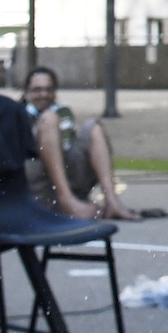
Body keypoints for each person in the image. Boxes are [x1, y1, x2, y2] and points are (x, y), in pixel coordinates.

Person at [20, 66, 138, 221]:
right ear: (26, 92)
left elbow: (68, 144)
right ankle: (66, 201)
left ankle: (112, 202)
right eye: (37, 90)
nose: (44, 94)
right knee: (49, 119)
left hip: (69, 175)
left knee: (94, 127)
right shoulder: (18, 113)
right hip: (37, 183)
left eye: (49, 89)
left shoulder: (63, 111)